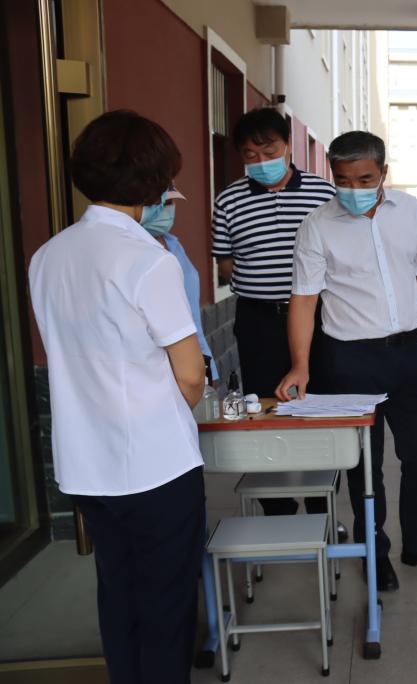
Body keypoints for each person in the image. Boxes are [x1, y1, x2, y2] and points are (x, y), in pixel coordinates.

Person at [29, 110, 206, 684]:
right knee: (166, 607)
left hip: (86, 466)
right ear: (154, 180)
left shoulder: (47, 256)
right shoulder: (148, 261)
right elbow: (190, 374)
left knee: (118, 595)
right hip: (155, 467)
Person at [276, 131, 417, 593]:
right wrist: (301, 364)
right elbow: (304, 299)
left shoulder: (409, 211)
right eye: (342, 179)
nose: (353, 189)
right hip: (350, 359)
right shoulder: (317, 224)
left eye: (364, 179)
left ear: (383, 173)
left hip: (408, 353)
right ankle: (374, 550)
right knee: (364, 464)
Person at [212, 107, 336, 519]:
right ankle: (278, 508)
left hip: (318, 319)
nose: (261, 162)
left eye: (269, 151)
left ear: (288, 147)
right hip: (258, 320)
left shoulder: (322, 192)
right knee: (265, 407)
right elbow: (225, 263)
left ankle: (321, 508)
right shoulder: (228, 200)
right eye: (250, 155)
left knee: (318, 406)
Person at [140, 186, 219, 381]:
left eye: (170, 203)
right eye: (159, 204)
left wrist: (209, 370)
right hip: (156, 367)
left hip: (191, 356)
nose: (166, 209)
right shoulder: (134, 249)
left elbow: (193, 321)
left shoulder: (173, 243)